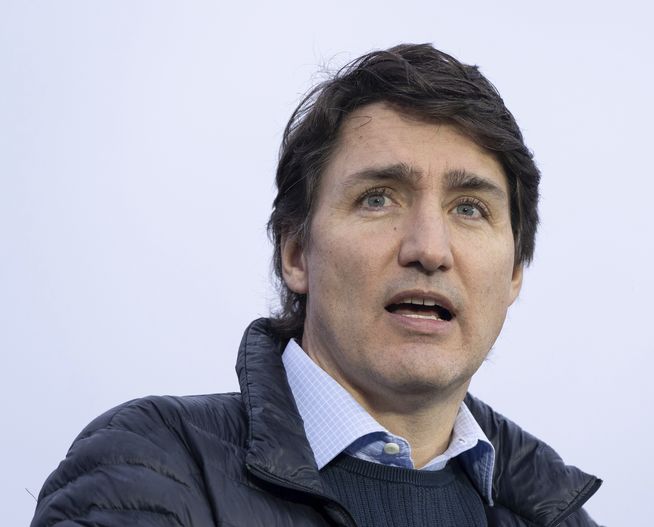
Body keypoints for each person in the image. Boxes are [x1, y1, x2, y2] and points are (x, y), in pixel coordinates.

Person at [32, 43, 602, 527]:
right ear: (296, 252)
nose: (429, 248)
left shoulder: (555, 514)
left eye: (470, 208)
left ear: (513, 274)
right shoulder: (151, 464)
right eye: (377, 198)